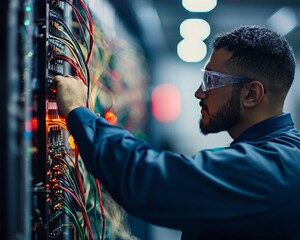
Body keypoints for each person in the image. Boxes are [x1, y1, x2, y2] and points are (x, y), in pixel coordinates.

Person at [53, 25, 300, 239]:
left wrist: (77, 111)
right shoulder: (282, 155)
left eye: (211, 82)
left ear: (251, 94)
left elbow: (150, 180)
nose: (199, 93)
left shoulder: (274, 169)